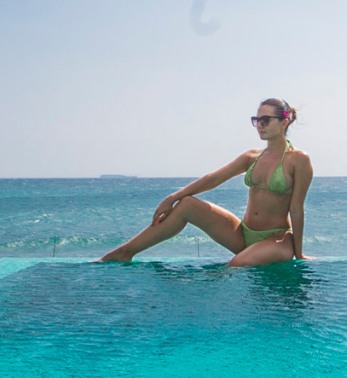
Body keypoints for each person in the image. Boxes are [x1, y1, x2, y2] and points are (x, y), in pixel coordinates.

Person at [99, 98, 313, 266]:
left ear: (284, 121)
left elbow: (296, 208)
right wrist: (173, 197)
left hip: (277, 239)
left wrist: (299, 252)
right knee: (187, 204)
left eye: (266, 120)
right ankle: (124, 252)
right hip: (243, 233)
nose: (260, 125)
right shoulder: (252, 157)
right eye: (256, 120)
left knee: (238, 264)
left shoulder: (299, 160)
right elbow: (214, 178)